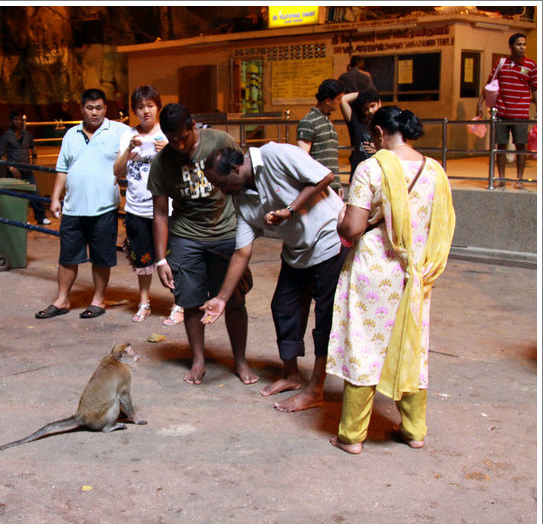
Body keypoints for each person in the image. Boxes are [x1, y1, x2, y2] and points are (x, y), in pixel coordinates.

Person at [326, 106, 456, 454]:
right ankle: (414, 430)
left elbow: (353, 229)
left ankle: (352, 436)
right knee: (411, 345)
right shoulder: (435, 171)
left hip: (375, 270)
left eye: (372, 135)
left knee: (364, 345)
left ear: (381, 132)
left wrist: (341, 217)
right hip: (415, 274)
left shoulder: (371, 168)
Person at [201, 143, 345, 412]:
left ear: (235, 169)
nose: (221, 191)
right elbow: (242, 252)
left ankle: (316, 388)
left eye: (221, 183)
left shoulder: (274, 154)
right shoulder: (240, 198)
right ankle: (291, 375)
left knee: (325, 317)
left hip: (329, 240)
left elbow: (325, 176)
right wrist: (221, 299)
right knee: (283, 307)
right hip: (297, 251)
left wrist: (291, 209)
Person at [147, 103, 258, 386]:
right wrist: (161, 259)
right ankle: (198, 360)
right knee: (190, 301)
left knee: (234, 300)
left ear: (193, 125)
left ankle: (240, 360)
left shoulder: (220, 141)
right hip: (186, 236)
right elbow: (160, 212)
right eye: (172, 140)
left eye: (183, 138)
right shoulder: (161, 163)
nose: (179, 145)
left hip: (226, 232)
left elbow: (243, 177)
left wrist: (249, 227)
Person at [35, 88, 129, 320]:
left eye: (99, 108)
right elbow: (62, 168)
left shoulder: (119, 131)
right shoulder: (71, 135)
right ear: (82, 109)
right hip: (73, 208)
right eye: (90, 108)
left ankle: (98, 299)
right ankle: (62, 299)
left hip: (104, 207)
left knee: (101, 257)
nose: (94, 113)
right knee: (68, 256)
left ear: (105, 109)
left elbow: (143, 141)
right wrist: (56, 197)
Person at [113, 85, 183, 325]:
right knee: (142, 260)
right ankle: (144, 303)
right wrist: (129, 150)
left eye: (150, 106)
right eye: (140, 107)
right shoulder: (127, 136)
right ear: (134, 111)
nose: (146, 111)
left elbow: (184, 169)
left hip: (168, 210)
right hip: (136, 209)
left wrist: (170, 152)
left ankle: (178, 303)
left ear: (158, 107)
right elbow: (116, 171)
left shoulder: (168, 135)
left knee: (174, 259)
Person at [477, 33, 537, 188]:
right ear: (510, 46)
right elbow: (489, 83)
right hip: (502, 113)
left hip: (521, 114)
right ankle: (502, 178)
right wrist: (479, 104)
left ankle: (520, 180)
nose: (522, 47)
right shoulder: (501, 63)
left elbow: (535, 89)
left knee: (521, 147)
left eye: (524, 44)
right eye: (518, 44)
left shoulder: (531, 65)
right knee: (501, 146)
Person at [0, 111, 50, 225]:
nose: (17, 122)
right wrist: (10, 168)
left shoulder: (27, 134)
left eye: (19, 119)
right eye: (15, 120)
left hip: (27, 169)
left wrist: (34, 162)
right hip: (14, 171)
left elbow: (33, 147)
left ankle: (41, 217)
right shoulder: (6, 136)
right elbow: (1, 154)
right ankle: (18, 218)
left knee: (35, 193)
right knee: (16, 195)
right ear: (11, 121)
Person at [297, 79, 344, 197]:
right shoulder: (309, 121)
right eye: (338, 99)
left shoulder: (327, 120)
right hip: (319, 184)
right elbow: (303, 157)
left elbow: (330, 156)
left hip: (332, 184)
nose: (340, 102)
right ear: (328, 101)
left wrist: (337, 183)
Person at [340, 89, 381, 182]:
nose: (370, 111)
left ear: (379, 103)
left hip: (378, 175)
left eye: (373, 106)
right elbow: (343, 100)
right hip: (359, 176)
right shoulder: (356, 123)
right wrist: (363, 94)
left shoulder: (386, 123)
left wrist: (379, 149)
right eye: (366, 108)